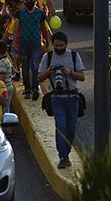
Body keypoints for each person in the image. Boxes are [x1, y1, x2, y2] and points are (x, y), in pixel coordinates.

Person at [37, 32, 85, 169]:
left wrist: (69, 72)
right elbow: (39, 78)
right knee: (61, 127)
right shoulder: (48, 57)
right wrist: (49, 72)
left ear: (66, 44)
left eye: (61, 46)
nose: (58, 48)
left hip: (73, 97)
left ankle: (66, 153)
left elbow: (82, 77)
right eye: (56, 46)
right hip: (56, 98)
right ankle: (63, 157)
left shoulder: (74, 56)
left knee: (71, 129)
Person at [13, 0, 51, 100]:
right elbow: (16, 29)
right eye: (26, 1)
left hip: (36, 43)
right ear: (23, 2)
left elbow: (43, 27)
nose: (29, 2)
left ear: (35, 1)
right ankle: (27, 88)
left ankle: (35, 88)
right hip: (23, 43)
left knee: (34, 66)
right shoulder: (19, 13)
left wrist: (47, 40)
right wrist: (15, 42)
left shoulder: (40, 13)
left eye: (31, 1)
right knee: (25, 67)